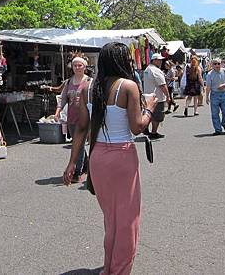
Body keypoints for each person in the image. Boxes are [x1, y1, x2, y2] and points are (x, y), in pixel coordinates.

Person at [63, 42, 157, 275]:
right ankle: (118, 270)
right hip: (121, 156)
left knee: (111, 219)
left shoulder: (89, 87)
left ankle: (110, 266)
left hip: (98, 157)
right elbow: (137, 127)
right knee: (127, 220)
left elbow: (81, 128)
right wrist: (150, 109)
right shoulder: (128, 87)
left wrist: (72, 163)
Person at [55, 56, 92, 183]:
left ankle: (77, 172)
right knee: (78, 145)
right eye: (75, 65)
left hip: (86, 118)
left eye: (80, 65)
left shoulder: (89, 81)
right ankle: (86, 164)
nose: (77, 67)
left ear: (84, 67)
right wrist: (57, 112)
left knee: (79, 144)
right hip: (72, 118)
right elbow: (63, 98)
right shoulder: (69, 82)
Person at [142, 53, 170, 139]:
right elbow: (162, 84)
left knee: (149, 113)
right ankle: (153, 132)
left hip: (148, 95)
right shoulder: (156, 70)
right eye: (159, 60)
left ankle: (145, 127)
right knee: (157, 116)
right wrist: (168, 96)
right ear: (154, 60)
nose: (160, 61)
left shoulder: (147, 69)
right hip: (156, 96)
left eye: (161, 60)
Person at [205, 59, 225, 135]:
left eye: (218, 63)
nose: (217, 65)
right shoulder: (210, 74)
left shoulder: (224, 71)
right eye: (215, 64)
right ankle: (218, 129)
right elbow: (208, 87)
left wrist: (223, 85)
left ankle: (224, 123)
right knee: (215, 113)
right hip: (214, 95)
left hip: (223, 93)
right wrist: (207, 97)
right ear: (212, 65)